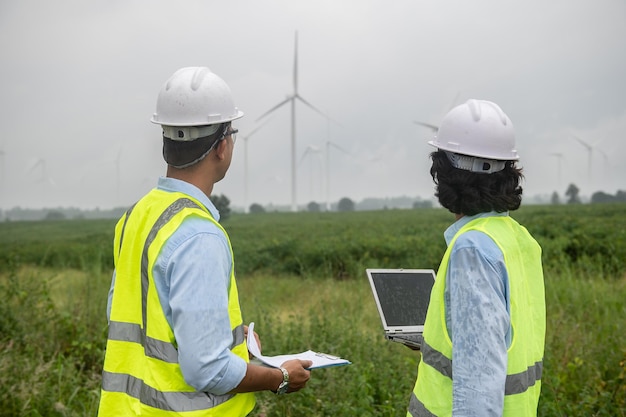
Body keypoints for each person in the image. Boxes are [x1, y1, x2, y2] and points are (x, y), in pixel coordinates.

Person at [98, 67, 312, 416]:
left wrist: (221, 336)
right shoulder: (199, 235)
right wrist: (279, 377)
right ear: (222, 146)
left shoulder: (136, 216)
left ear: (166, 142)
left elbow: (125, 313)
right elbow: (207, 370)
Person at [408, 99, 546, 416]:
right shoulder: (518, 239)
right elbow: (502, 339)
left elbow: (478, 386)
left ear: (444, 175)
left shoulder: (473, 250)